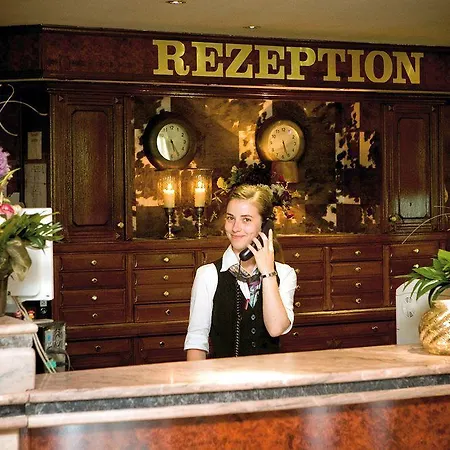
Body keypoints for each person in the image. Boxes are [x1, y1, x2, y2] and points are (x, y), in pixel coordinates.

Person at [184, 183, 297, 361]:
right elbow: (196, 342)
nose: (235, 228)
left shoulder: (284, 274)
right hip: (223, 376)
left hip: (271, 376)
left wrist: (267, 272)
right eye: (230, 218)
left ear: (265, 226)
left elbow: (276, 328)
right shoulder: (208, 275)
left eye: (246, 220)